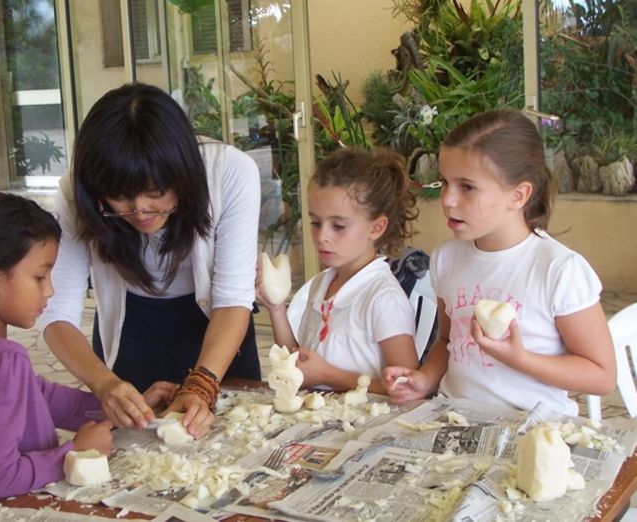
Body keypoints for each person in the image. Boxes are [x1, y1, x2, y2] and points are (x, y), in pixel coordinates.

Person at [0, 192, 174, 501]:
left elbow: (41, 398)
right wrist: (74, 452)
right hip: (17, 507)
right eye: (40, 276)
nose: (49, 290)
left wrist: (125, 409)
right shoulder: (3, 360)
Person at [39, 83, 262, 437]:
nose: (140, 209)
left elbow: (233, 297)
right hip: (133, 330)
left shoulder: (231, 171)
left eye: (156, 193)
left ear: (182, 174)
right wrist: (104, 385)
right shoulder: (75, 193)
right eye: (121, 197)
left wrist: (202, 384)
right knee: (141, 456)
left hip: (219, 329)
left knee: (233, 448)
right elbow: (56, 313)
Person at [383, 109, 616, 415]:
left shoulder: (559, 269)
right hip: (454, 419)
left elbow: (602, 375)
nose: (448, 200)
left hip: (532, 428)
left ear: (518, 195)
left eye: (467, 187)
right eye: (444, 182)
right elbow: (446, 340)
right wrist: (424, 379)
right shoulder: (447, 257)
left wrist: (520, 359)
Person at [257, 147, 420, 393]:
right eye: (315, 222)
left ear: (376, 228)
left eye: (339, 226)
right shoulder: (321, 284)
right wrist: (276, 308)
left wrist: (329, 376)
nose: (322, 236)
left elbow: (407, 387)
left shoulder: (383, 299)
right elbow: (298, 361)